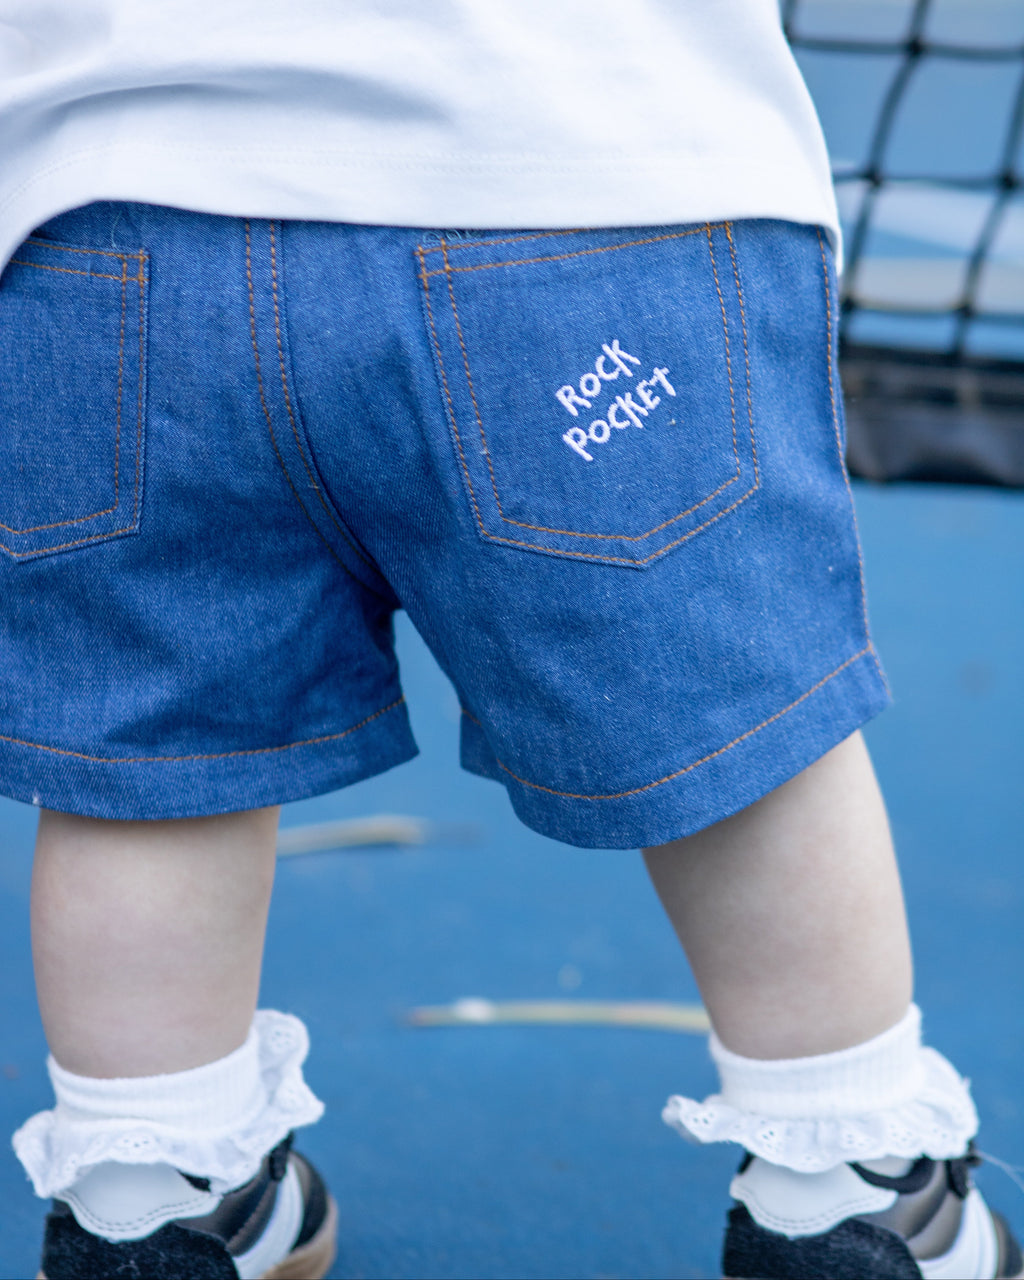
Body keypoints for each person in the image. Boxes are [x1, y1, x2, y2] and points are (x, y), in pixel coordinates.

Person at [0, 3, 1018, 1277]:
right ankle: (852, 1172)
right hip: (581, 202)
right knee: (736, 728)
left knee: (152, 760)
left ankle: (151, 1181)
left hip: (112, 250)